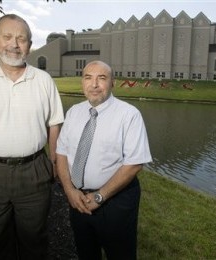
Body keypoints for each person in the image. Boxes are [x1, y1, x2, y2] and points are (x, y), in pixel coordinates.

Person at [0, 14, 64, 259]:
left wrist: (55, 162)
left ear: (29, 44)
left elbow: (55, 123)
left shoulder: (44, 80)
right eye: (7, 36)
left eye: (21, 38)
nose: (14, 44)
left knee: (35, 239)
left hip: (35, 171)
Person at [56, 60, 152, 260]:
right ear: (82, 82)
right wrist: (69, 190)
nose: (94, 84)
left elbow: (134, 163)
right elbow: (62, 152)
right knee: (86, 252)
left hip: (115, 202)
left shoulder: (129, 115)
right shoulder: (74, 112)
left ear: (112, 83)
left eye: (102, 78)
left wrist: (100, 196)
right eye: (88, 77)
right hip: (79, 200)